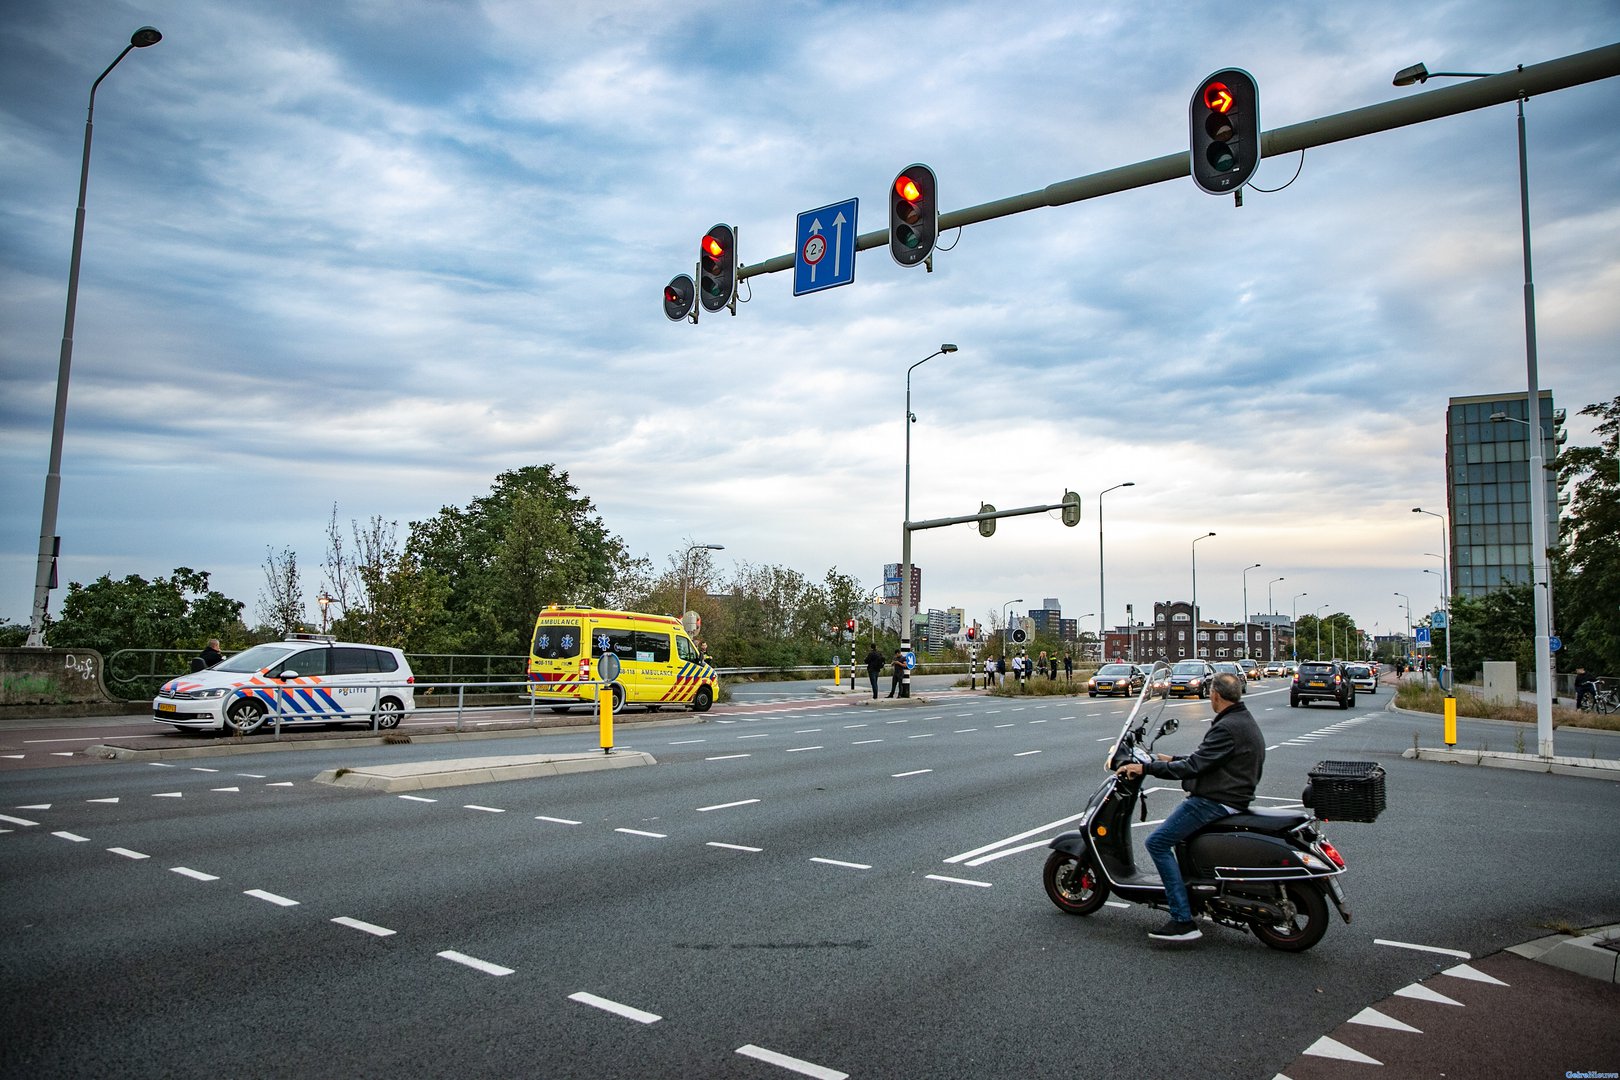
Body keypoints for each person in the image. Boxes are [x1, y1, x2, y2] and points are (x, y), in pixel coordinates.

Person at [1114, 670, 1264, 943]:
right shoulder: (1240, 720)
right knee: (1181, 842)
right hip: (1232, 794)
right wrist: (1170, 758)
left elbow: (1194, 767)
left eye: (1211, 693)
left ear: (1215, 695)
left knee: (1157, 842)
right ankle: (1195, 900)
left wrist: (1145, 768)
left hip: (1217, 799)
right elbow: (1208, 759)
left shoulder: (1227, 727)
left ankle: (1182, 919)